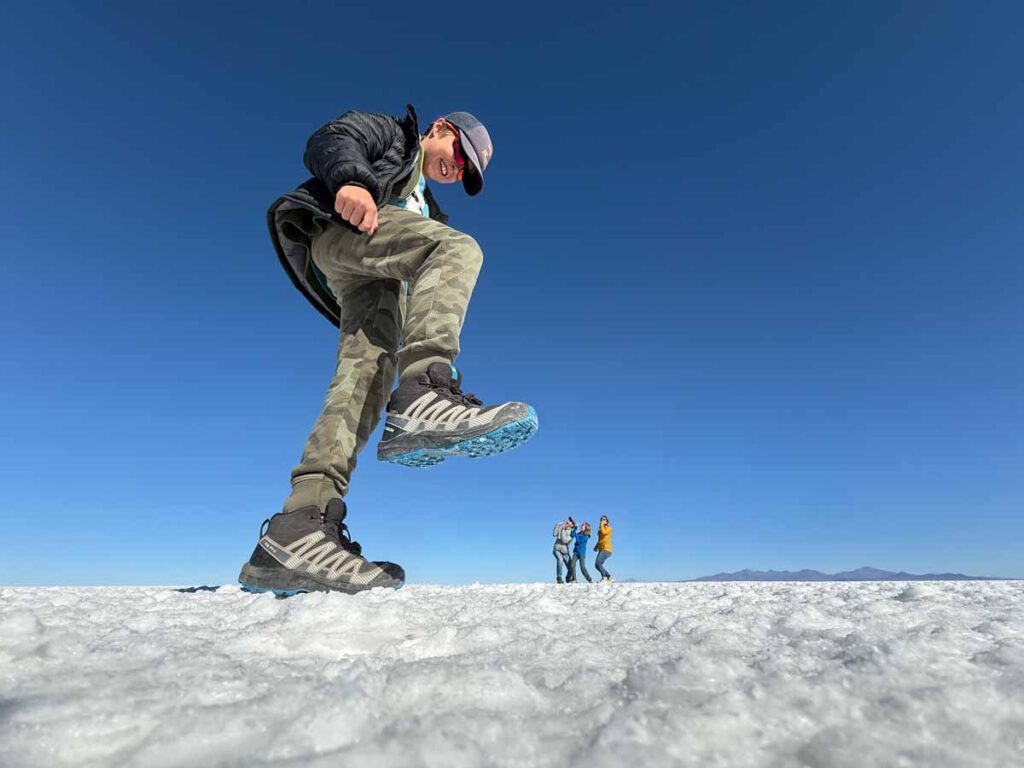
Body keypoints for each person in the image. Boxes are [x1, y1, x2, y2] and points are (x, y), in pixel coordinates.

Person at [238, 105, 539, 596]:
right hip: (339, 231)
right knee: (456, 249)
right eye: (459, 156)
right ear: (441, 128)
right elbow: (332, 138)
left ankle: (300, 526)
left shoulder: (427, 210)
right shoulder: (393, 136)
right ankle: (425, 388)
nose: (456, 171)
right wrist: (351, 182)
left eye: (465, 173)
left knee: (366, 376)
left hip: (368, 273)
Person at [552, 518, 575, 584]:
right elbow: (554, 534)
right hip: (557, 549)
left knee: (570, 568)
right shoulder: (561, 528)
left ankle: (568, 579)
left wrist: (562, 530)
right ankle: (559, 578)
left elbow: (564, 540)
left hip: (565, 551)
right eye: (567, 522)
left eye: (569, 522)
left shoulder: (571, 533)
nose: (567, 523)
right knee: (560, 560)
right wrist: (557, 525)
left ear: (572, 525)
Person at [594, 515, 613, 582]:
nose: (602, 520)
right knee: (597, 565)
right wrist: (596, 546)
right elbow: (600, 539)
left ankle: (604, 577)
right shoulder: (600, 530)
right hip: (601, 549)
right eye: (601, 519)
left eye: (604, 519)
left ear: (607, 521)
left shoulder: (609, 528)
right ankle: (609, 576)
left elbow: (604, 532)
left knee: (598, 563)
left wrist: (602, 525)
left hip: (607, 549)